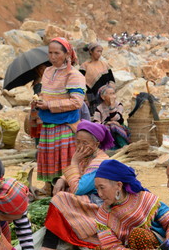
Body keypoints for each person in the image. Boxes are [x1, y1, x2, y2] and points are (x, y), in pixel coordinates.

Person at [35, 121, 114, 250]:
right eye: (78, 142)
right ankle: (62, 236)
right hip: (90, 201)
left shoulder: (100, 162)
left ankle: (50, 246)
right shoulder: (89, 157)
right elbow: (78, 178)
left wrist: (73, 163)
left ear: (96, 144)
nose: (80, 147)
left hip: (101, 208)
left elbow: (78, 189)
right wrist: (62, 179)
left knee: (60, 198)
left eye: (85, 143)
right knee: (63, 192)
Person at [91, 160, 169, 250]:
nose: (99, 194)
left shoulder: (143, 199)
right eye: (97, 189)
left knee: (138, 234)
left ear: (118, 186)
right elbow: (110, 247)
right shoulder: (103, 214)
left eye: (102, 188)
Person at [34, 37, 85, 188]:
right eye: (50, 53)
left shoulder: (74, 75)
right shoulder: (48, 71)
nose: (53, 57)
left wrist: (49, 105)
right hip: (48, 124)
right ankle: (50, 188)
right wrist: (39, 101)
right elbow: (46, 94)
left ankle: (67, 190)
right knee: (49, 159)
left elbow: (77, 102)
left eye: (57, 53)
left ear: (67, 54)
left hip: (65, 125)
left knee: (64, 162)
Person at [80, 42, 115, 115]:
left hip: (106, 97)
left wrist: (110, 91)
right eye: (97, 51)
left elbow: (111, 79)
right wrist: (85, 98)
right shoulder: (85, 66)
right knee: (96, 117)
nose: (99, 53)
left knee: (109, 116)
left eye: (101, 51)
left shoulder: (104, 64)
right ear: (90, 52)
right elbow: (80, 83)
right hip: (92, 96)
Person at [92, 83, 129, 149]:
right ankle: (109, 147)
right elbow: (96, 122)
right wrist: (107, 123)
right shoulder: (99, 108)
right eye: (110, 94)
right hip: (105, 128)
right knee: (108, 127)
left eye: (113, 93)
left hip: (119, 127)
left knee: (114, 126)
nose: (113, 96)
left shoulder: (119, 105)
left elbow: (116, 119)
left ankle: (123, 146)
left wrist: (112, 106)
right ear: (103, 97)